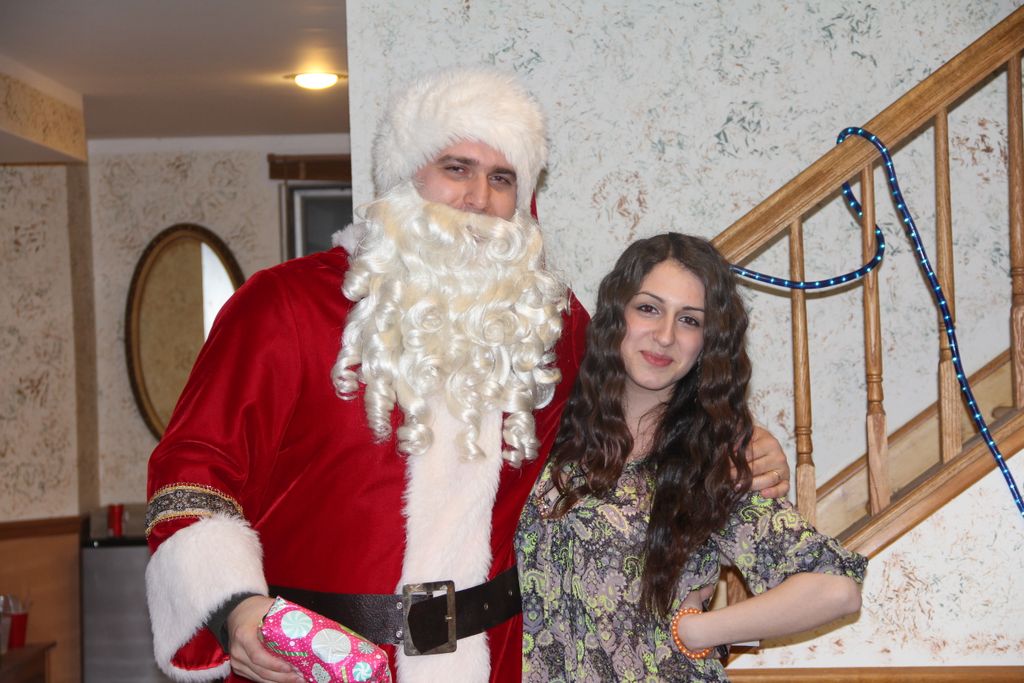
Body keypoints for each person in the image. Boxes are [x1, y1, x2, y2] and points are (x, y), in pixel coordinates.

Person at [144, 68, 791, 683]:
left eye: (501, 178)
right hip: (314, 664)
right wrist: (233, 608)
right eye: (457, 168)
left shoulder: (550, 321)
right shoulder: (283, 306)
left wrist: (737, 440)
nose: (479, 198)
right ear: (406, 176)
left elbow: (636, 400)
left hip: (496, 661)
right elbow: (193, 472)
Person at [516, 233, 867, 682]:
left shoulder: (712, 461)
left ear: (707, 342)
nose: (665, 336)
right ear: (616, 315)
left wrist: (699, 631)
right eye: (648, 308)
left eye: (689, 320)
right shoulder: (549, 427)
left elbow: (836, 590)